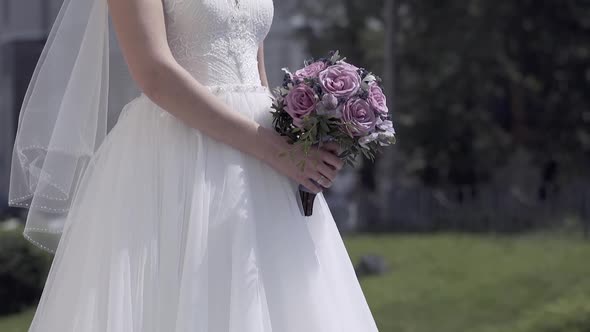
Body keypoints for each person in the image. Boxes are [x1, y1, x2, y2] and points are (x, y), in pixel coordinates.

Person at [9, 0, 379, 330]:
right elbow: (154, 74)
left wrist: (303, 140)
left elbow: (256, 72)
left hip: (265, 164)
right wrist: (272, 149)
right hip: (180, 155)